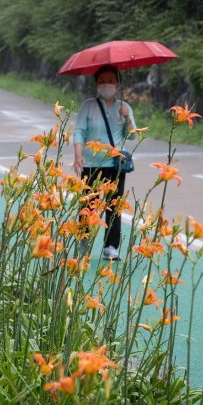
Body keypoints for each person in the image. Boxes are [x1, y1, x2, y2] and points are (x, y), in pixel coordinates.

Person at [73, 65, 137, 261]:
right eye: (102, 81)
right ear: (96, 84)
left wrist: (127, 118)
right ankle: (84, 243)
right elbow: (79, 131)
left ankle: (110, 247)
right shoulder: (88, 106)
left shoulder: (124, 107)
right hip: (90, 164)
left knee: (113, 206)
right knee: (88, 205)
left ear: (117, 84)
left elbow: (132, 136)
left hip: (114, 166)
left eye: (110, 80)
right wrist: (77, 156)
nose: (106, 84)